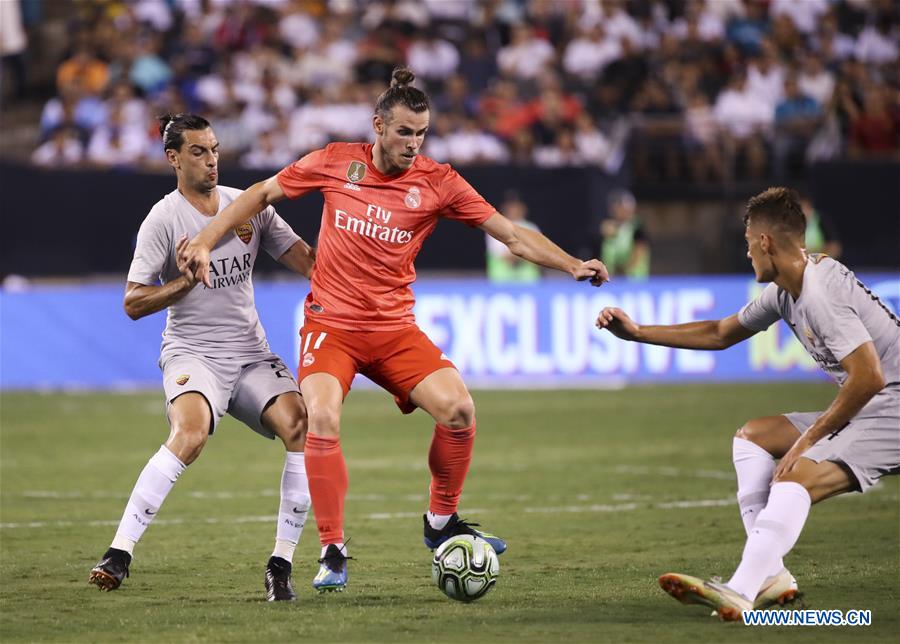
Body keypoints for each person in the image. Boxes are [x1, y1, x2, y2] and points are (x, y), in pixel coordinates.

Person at [179, 68, 609, 593]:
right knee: (322, 417)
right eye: (404, 132)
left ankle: (440, 522)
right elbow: (261, 193)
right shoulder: (336, 161)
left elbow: (512, 236)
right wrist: (205, 240)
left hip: (393, 330)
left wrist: (571, 265)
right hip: (332, 327)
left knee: (459, 410)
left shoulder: (438, 182)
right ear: (378, 126)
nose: (413, 143)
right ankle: (332, 549)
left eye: (421, 133)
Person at [596, 187, 899, 621]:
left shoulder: (820, 294)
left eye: (747, 243)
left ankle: (740, 590)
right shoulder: (786, 290)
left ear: (765, 242)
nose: (747, 254)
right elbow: (720, 333)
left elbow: (869, 377)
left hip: (892, 407)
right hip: (875, 403)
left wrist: (806, 442)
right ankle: (770, 574)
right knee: (753, 437)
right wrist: (638, 332)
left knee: (796, 475)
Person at [88, 114, 317, 602]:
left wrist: (348, 267)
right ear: (173, 158)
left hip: (251, 353)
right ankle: (119, 552)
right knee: (190, 435)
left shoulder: (246, 207)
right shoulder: (163, 219)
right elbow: (133, 302)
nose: (211, 160)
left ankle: (280, 565)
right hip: (194, 352)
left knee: (300, 426)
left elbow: (305, 259)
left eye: (214, 149)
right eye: (198, 151)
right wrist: (184, 283)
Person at [485, 191, 541, 283]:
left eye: (516, 205)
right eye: (510, 206)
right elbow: (502, 255)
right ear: (504, 207)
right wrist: (525, 254)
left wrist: (518, 253)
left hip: (528, 281)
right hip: (501, 282)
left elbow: (539, 254)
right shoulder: (494, 227)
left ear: (523, 207)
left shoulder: (532, 227)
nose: (513, 209)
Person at [600, 189, 649, 279]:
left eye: (619, 206)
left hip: (634, 278)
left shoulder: (637, 226)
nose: (615, 210)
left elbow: (639, 251)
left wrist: (623, 271)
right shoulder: (609, 226)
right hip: (612, 277)